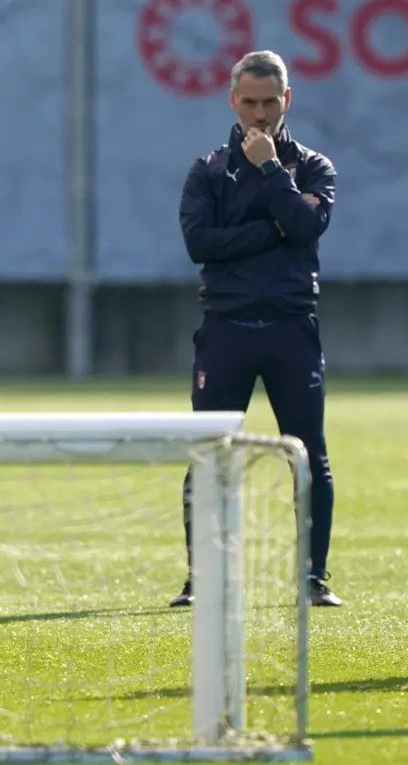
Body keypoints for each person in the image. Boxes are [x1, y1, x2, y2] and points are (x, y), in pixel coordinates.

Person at [173, 50, 340, 608]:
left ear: (286, 100)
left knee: (308, 452)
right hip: (226, 328)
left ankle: (313, 579)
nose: (261, 114)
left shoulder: (313, 167)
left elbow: (307, 223)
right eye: (250, 102)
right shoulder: (208, 169)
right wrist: (273, 229)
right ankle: (202, 579)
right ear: (232, 101)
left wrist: (271, 172)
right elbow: (202, 245)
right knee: (210, 455)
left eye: (270, 102)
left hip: (292, 327)